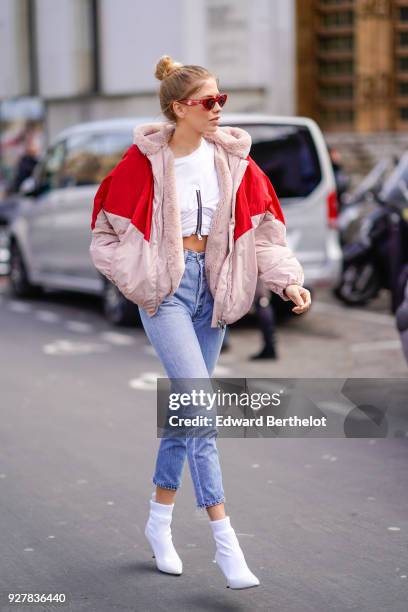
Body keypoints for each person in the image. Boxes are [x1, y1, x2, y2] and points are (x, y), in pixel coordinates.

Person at [89, 55, 311, 590]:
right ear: (178, 108)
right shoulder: (143, 163)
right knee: (201, 411)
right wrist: (139, 278)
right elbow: (104, 235)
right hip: (165, 292)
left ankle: (158, 523)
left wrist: (287, 281)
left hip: (215, 292)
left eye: (221, 99)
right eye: (208, 101)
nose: (218, 109)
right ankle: (226, 542)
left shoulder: (234, 162)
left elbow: (264, 234)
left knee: (184, 414)